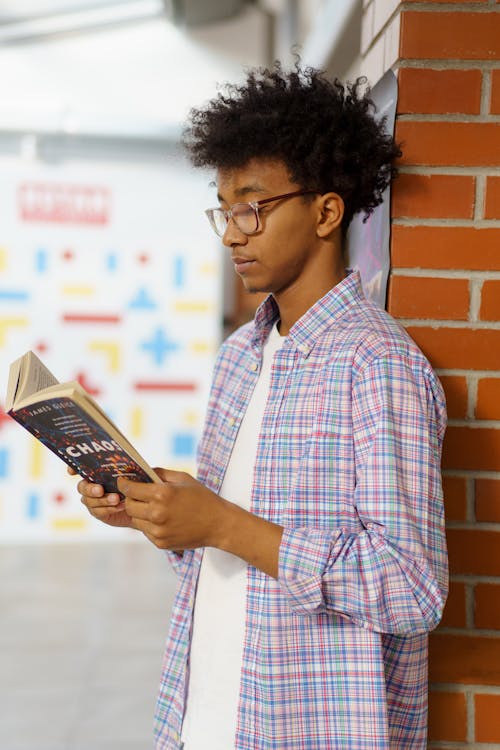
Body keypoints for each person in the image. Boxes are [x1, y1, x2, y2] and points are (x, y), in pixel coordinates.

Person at [75, 62, 448, 750]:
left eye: (252, 206)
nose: (231, 233)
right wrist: (159, 515)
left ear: (326, 211)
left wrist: (221, 523)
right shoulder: (240, 358)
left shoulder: (377, 366)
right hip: (207, 718)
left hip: (310, 727)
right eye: (223, 207)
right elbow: (223, 553)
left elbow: (411, 587)